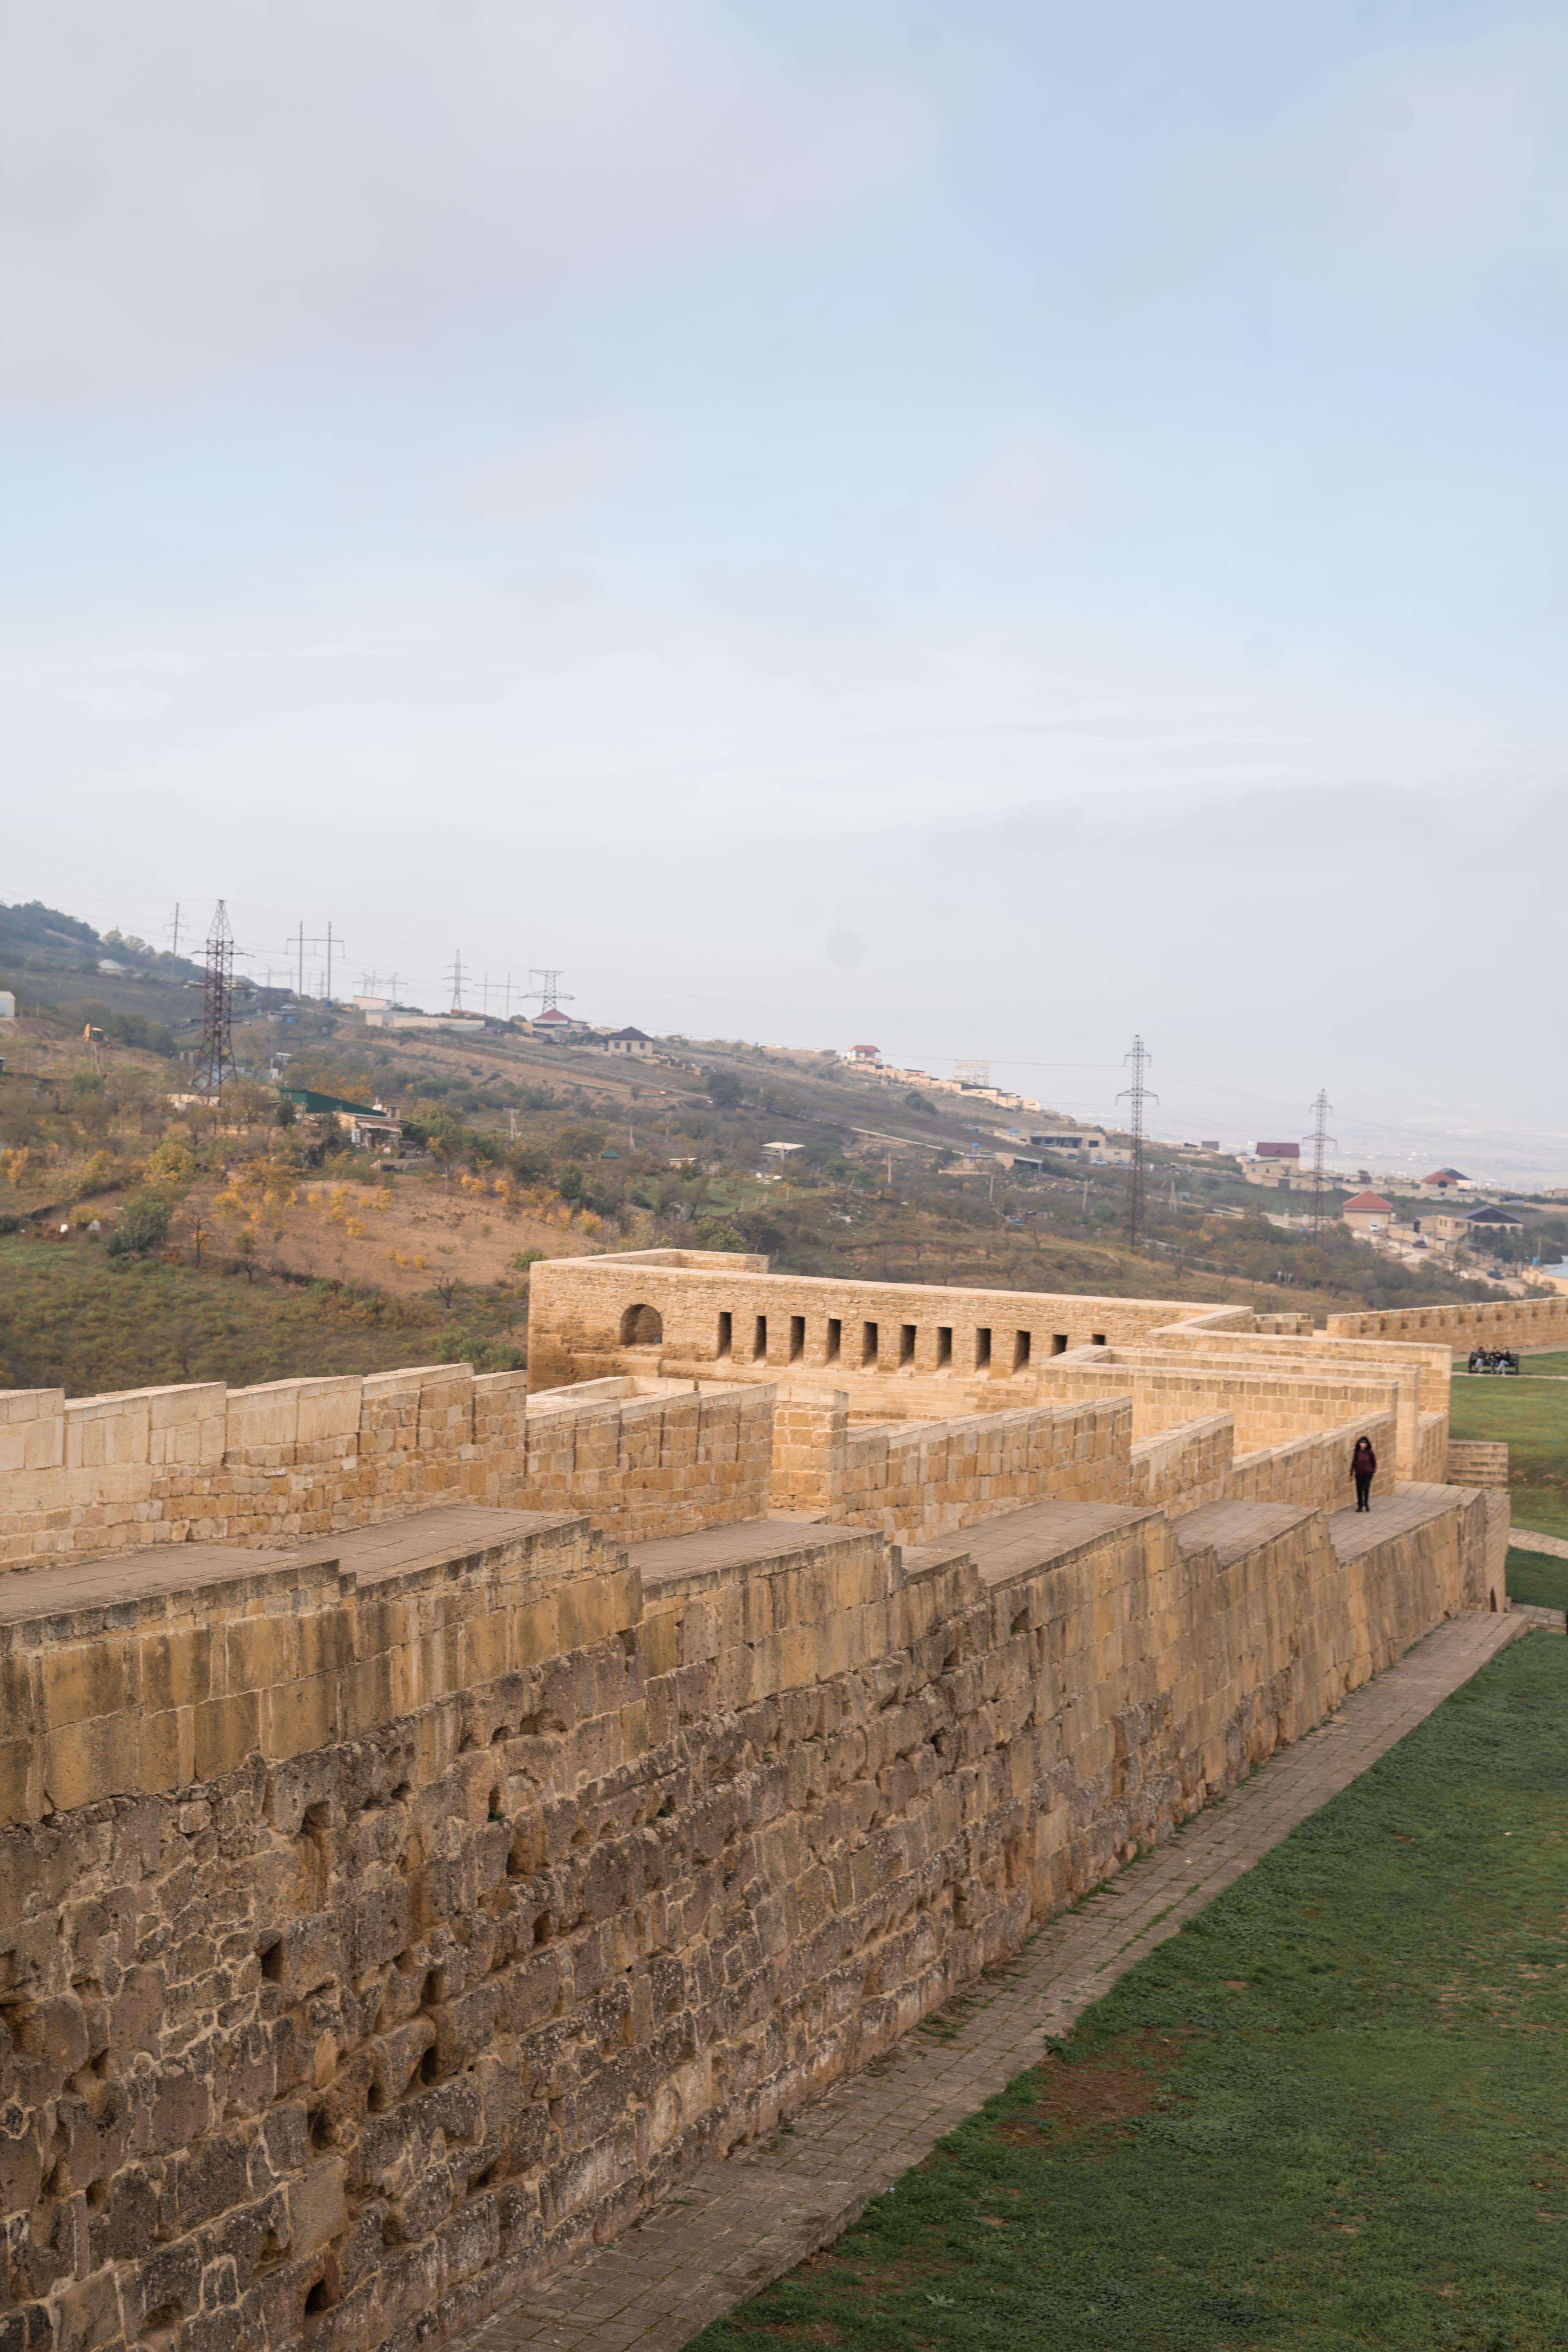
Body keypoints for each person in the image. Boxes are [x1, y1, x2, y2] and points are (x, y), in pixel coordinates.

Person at [1351, 1434, 1377, 1512]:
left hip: (1368, 1474)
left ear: (1367, 1444)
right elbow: (1354, 1463)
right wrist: (1351, 1473)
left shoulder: (1370, 1452)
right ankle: (1360, 1506)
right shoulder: (1357, 1453)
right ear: (1360, 1444)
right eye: (1362, 1443)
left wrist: (1373, 1470)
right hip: (1359, 1473)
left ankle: (1366, 1504)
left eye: (1365, 1443)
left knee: (1366, 1488)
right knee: (1359, 1490)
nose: (1364, 1444)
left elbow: (1374, 1462)